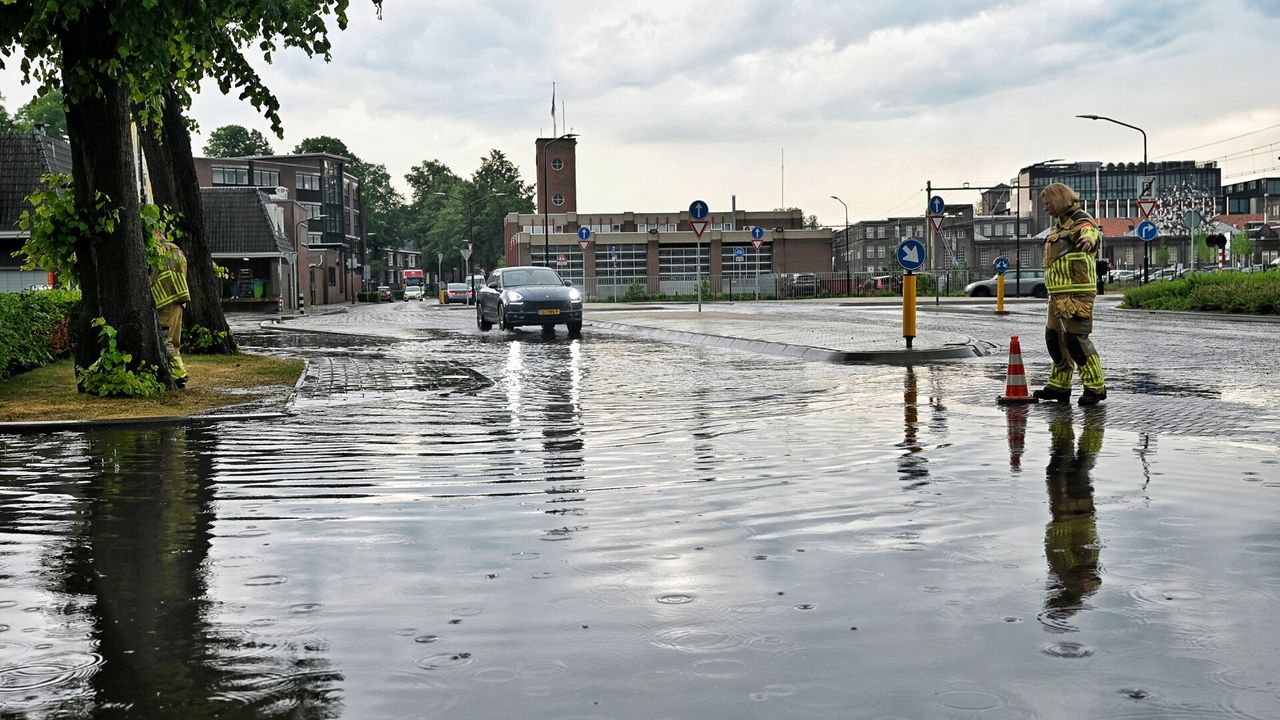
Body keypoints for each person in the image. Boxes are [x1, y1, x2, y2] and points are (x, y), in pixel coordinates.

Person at [1033, 183, 1106, 406]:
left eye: (1047, 203)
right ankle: (1059, 386)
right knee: (1054, 339)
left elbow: (1090, 231)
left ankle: (1095, 387)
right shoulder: (1059, 225)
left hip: (1077, 292)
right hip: (1057, 293)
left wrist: (1089, 239)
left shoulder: (1080, 219)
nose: (1045, 208)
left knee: (1075, 340)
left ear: (1058, 200)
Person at [150, 230, 191, 389]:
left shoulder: (161, 252)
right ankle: (177, 373)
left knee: (165, 339)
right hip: (180, 300)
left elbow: (153, 277)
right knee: (174, 341)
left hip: (165, 301)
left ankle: (179, 375)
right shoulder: (177, 251)